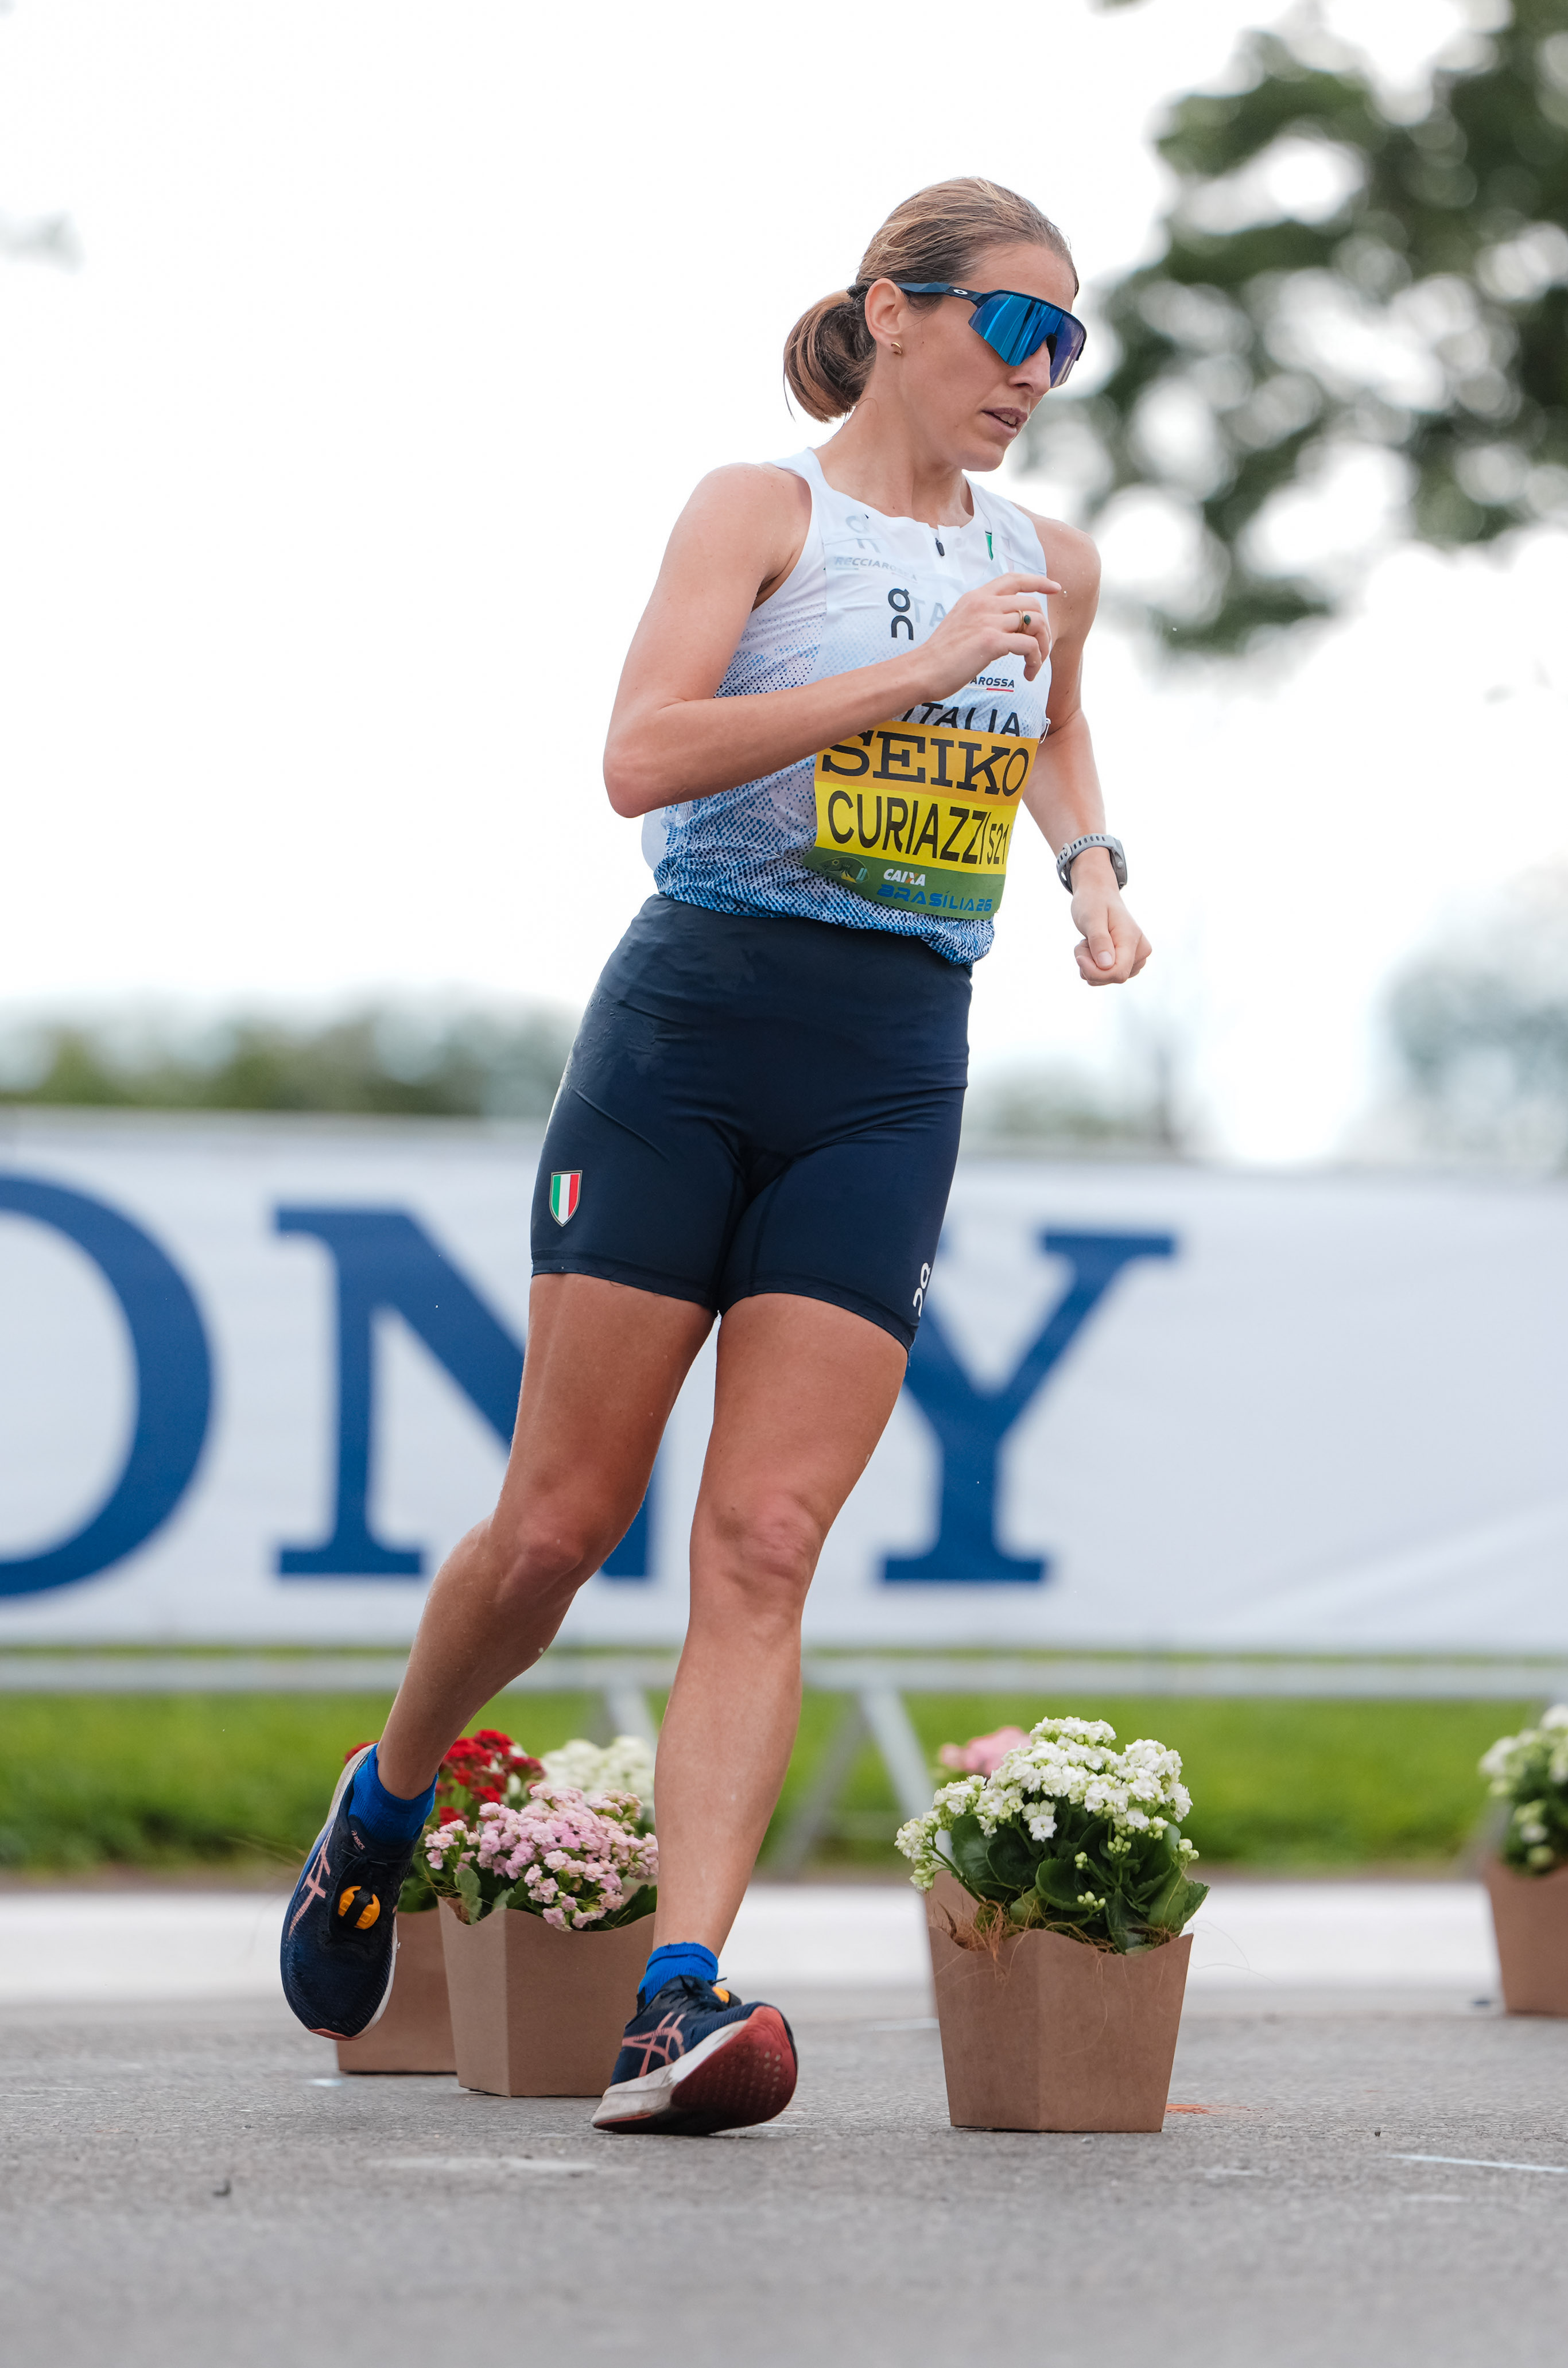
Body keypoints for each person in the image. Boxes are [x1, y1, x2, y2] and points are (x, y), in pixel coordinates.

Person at [281, 176, 1150, 2133]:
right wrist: (906, 674)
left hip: (892, 1063)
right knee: (556, 1526)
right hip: (690, 1032)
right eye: (1012, 326)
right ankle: (388, 1794)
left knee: (762, 1541)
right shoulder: (757, 510)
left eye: (1069, 341)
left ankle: (674, 1993)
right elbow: (640, 757)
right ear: (892, 310)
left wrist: (1091, 868)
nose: (1039, 372)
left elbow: (1055, 729)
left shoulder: (1051, 561)